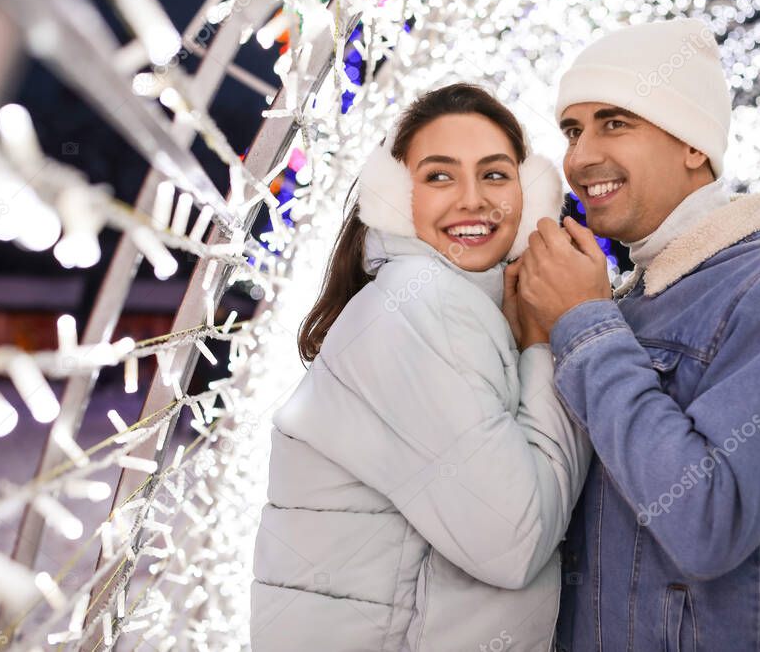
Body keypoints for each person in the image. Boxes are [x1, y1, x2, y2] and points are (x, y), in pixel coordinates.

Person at [509, 18, 760, 651]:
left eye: (615, 122)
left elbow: (709, 520)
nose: (580, 156)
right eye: (572, 130)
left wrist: (584, 326)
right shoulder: (625, 304)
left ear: (694, 145)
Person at [250, 83, 592, 651]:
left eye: (495, 174)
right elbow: (514, 541)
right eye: (439, 176)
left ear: (528, 194)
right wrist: (546, 348)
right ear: (395, 197)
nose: (472, 200)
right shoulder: (422, 307)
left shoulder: (458, 308)